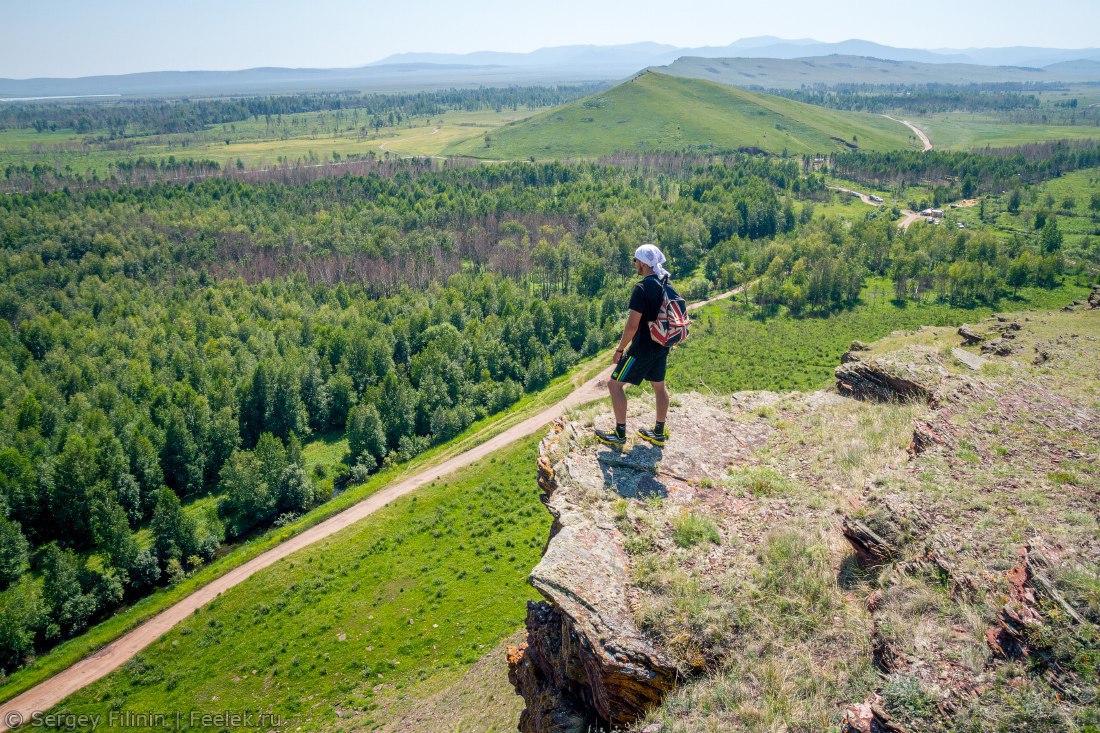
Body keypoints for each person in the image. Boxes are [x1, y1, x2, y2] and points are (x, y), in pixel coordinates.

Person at [594, 243, 671, 448]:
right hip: (661, 346)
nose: (634, 264)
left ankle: (619, 434)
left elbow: (632, 326)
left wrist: (619, 349)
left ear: (644, 264)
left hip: (641, 349)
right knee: (659, 387)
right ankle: (658, 432)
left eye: (635, 260)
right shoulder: (665, 283)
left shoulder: (641, 288)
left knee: (614, 384)